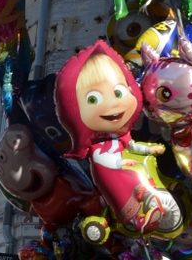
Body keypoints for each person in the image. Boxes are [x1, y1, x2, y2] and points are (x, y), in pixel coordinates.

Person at [54, 40, 182, 236]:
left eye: (118, 92)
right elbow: (103, 161)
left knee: (144, 175)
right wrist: (124, 161)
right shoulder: (97, 149)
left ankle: (150, 202)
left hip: (129, 168)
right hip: (113, 172)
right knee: (125, 190)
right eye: (93, 99)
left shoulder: (121, 137)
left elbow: (132, 145)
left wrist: (149, 149)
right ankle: (138, 218)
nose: (112, 105)